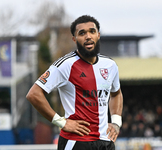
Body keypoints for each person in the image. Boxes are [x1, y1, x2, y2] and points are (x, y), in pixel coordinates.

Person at [26, 15, 123, 150]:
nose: (88, 36)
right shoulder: (65, 65)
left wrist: (116, 122)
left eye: (92, 31)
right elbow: (34, 94)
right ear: (74, 39)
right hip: (77, 141)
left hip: (105, 142)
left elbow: (116, 93)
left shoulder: (110, 65)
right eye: (82, 33)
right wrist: (61, 122)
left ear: (98, 35)